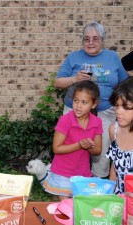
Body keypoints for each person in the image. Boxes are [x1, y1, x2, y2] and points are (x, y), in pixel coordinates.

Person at [54, 21, 128, 178]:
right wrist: (75, 78)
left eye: (95, 38)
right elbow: (58, 82)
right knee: (71, 149)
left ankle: (97, 184)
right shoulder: (74, 57)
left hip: (104, 111)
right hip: (75, 111)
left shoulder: (112, 57)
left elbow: (123, 83)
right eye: (86, 39)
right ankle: (67, 182)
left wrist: (119, 104)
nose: (91, 42)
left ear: (103, 40)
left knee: (100, 150)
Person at [42, 80, 103, 201]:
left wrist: (90, 146)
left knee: (80, 210)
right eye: (76, 101)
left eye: (84, 102)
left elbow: (98, 150)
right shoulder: (65, 120)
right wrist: (79, 145)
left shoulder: (97, 122)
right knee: (66, 210)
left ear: (94, 104)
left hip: (83, 174)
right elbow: (57, 148)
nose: (78, 105)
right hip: (62, 173)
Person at [106, 77, 133, 194]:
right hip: (119, 199)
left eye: (125, 107)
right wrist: (110, 195)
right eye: (116, 105)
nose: (118, 111)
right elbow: (114, 166)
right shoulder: (113, 129)